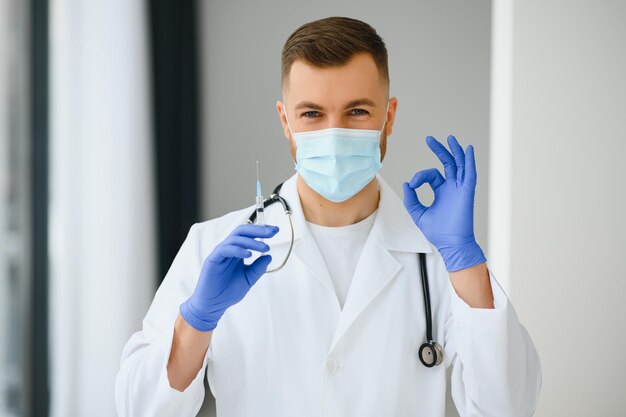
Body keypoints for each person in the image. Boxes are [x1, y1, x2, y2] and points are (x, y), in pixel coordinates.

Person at [115, 16, 541, 417]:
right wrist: (196, 321)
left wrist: (465, 260)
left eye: (357, 111)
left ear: (388, 117)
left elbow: (508, 406)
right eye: (312, 114)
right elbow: (139, 408)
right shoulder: (213, 247)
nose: (333, 133)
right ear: (286, 120)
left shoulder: (440, 259)